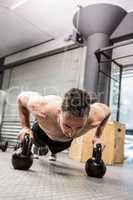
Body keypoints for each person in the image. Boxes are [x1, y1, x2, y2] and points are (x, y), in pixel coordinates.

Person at [17, 88, 111, 161]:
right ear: (59, 113)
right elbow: (21, 98)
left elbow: (108, 111)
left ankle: (52, 151)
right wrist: (25, 127)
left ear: (87, 117)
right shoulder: (43, 108)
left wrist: (97, 137)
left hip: (64, 142)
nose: (72, 133)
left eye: (79, 127)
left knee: (55, 149)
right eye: (67, 125)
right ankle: (38, 146)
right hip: (42, 132)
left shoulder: (95, 117)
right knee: (39, 145)